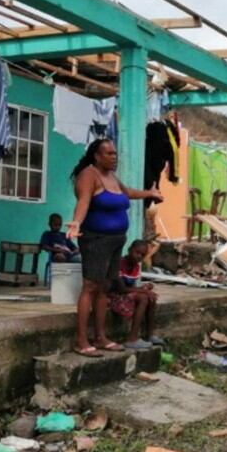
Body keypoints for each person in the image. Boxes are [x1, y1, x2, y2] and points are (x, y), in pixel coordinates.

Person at [66, 139, 163, 357]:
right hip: (96, 239)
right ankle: (81, 340)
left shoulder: (112, 177)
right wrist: (76, 222)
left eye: (115, 153)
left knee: (104, 288)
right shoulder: (89, 175)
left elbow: (127, 193)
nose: (114, 157)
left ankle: (101, 337)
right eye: (108, 153)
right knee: (90, 287)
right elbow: (83, 202)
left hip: (115, 239)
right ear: (97, 156)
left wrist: (150, 194)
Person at [108, 240, 165, 349]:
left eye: (142, 255)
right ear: (130, 250)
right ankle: (132, 338)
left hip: (125, 295)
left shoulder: (136, 267)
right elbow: (122, 289)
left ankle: (150, 335)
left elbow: (133, 287)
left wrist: (144, 288)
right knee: (143, 298)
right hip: (114, 296)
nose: (139, 256)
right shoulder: (119, 263)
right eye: (137, 252)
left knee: (151, 297)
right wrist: (142, 291)